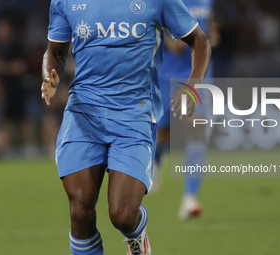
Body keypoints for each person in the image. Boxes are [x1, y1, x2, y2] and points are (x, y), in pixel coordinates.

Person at [41, 0, 211, 254]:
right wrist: (49, 75)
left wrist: (193, 85)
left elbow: (200, 40)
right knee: (80, 209)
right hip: (83, 113)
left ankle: (137, 235)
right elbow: (55, 51)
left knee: (122, 215)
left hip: (135, 113)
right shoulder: (66, 1)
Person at [153, 0, 219, 220]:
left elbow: (208, 26)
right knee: (162, 133)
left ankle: (190, 198)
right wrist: (170, 38)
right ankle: (157, 161)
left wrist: (212, 35)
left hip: (197, 72)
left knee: (196, 130)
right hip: (165, 73)